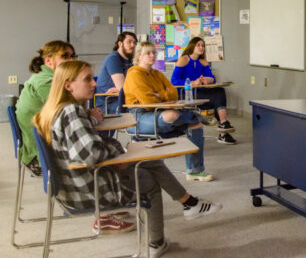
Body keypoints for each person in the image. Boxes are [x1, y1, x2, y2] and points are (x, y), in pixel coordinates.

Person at [33, 61, 221, 257]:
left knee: (149, 159)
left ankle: (189, 203)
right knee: (148, 179)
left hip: (73, 183)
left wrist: (113, 146)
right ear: (68, 86)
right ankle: (159, 239)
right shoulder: (72, 112)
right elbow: (91, 154)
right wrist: (117, 148)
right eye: (87, 79)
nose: (95, 83)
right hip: (88, 188)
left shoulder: (59, 109)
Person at [123, 42, 213, 182]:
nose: (153, 55)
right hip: (138, 118)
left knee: (195, 126)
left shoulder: (157, 73)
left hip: (160, 111)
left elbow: (173, 93)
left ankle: (194, 171)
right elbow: (147, 101)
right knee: (173, 114)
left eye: (154, 52)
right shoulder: (134, 75)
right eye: (148, 53)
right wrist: (162, 95)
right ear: (139, 56)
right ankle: (195, 116)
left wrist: (158, 95)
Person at [15, 41, 87, 175]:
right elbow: (71, 112)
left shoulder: (46, 77)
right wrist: (91, 116)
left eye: (73, 56)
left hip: (45, 148)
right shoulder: (46, 81)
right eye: (65, 56)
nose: (71, 60)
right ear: (48, 61)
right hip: (42, 158)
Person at [171, 37, 236, 145]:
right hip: (187, 94)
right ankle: (223, 133)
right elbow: (173, 81)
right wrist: (192, 83)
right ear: (192, 46)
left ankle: (223, 125)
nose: (201, 47)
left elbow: (212, 78)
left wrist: (208, 79)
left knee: (220, 91)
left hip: (200, 93)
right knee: (217, 96)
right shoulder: (184, 59)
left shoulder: (203, 61)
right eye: (198, 45)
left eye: (203, 45)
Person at [95, 32, 138, 114]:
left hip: (122, 100)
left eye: (134, 43)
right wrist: (125, 89)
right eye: (129, 42)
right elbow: (122, 88)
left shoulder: (130, 61)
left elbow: (135, 84)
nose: (133, 45)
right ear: (120, 44)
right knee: (141, 110)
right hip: (109, 104)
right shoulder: (113, 59)